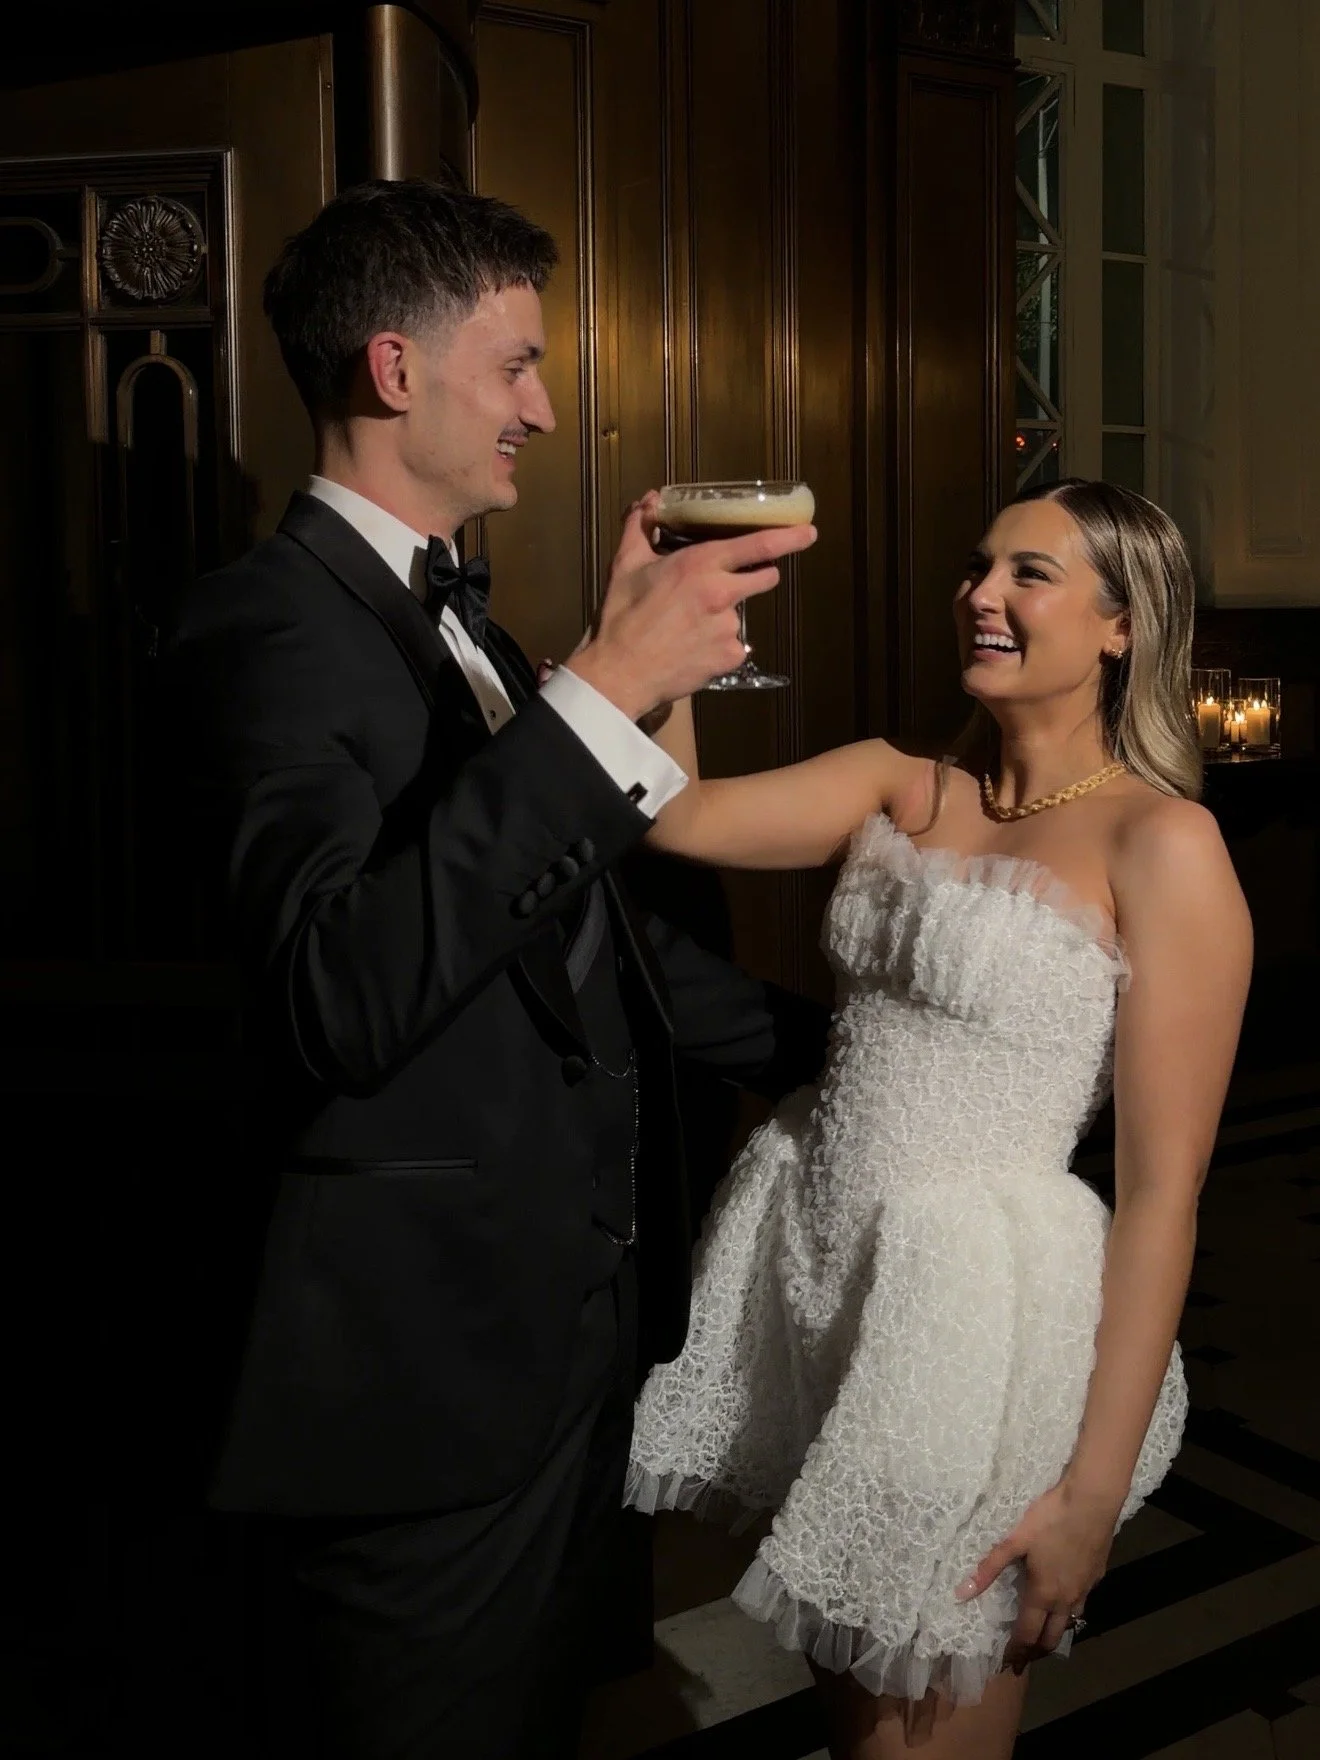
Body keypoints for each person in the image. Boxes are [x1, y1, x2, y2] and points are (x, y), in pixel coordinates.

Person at [162, 178, 828, 1760]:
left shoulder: (470, 628)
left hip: (568, 1344)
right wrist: (599, 689)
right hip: (421, 1386)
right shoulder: (267, 630)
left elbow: (583, 938)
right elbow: (343, 990)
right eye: (515, 365)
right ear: (398, 372)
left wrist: (843, 1055)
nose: (542, 407)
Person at [624, 478, 1252, 1759]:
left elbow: (1160, 1197)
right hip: (822, 1289)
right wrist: (664, 617)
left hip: (972, 1332)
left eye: (1031, 573)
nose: (980, 594)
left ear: (1122, 625)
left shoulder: (1163, 842)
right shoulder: (899, 782)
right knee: (859, 1725)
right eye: (980, 567)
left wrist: (1085, 1497)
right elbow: (678, 812)